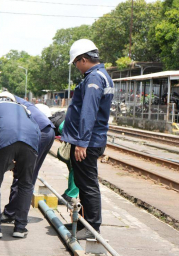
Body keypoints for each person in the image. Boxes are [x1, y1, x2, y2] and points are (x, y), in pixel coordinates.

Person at [0, 86, 55, 225]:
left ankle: (12, 214)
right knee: (26, 176)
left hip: (39, 133)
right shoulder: (5, 100)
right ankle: (18, 221)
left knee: (23, 176)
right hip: (41, 131)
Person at [61, 39, 114, 240]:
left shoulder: (93, 79)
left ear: (83, 59)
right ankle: (83, 222)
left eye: (75, 62)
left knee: (88, 185)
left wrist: (82, 142)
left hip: (88, 142)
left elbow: (89, 112)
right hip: (92, 139)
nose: (75, 66)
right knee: (83, 184)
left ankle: (92, 228)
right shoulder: (102, 76)